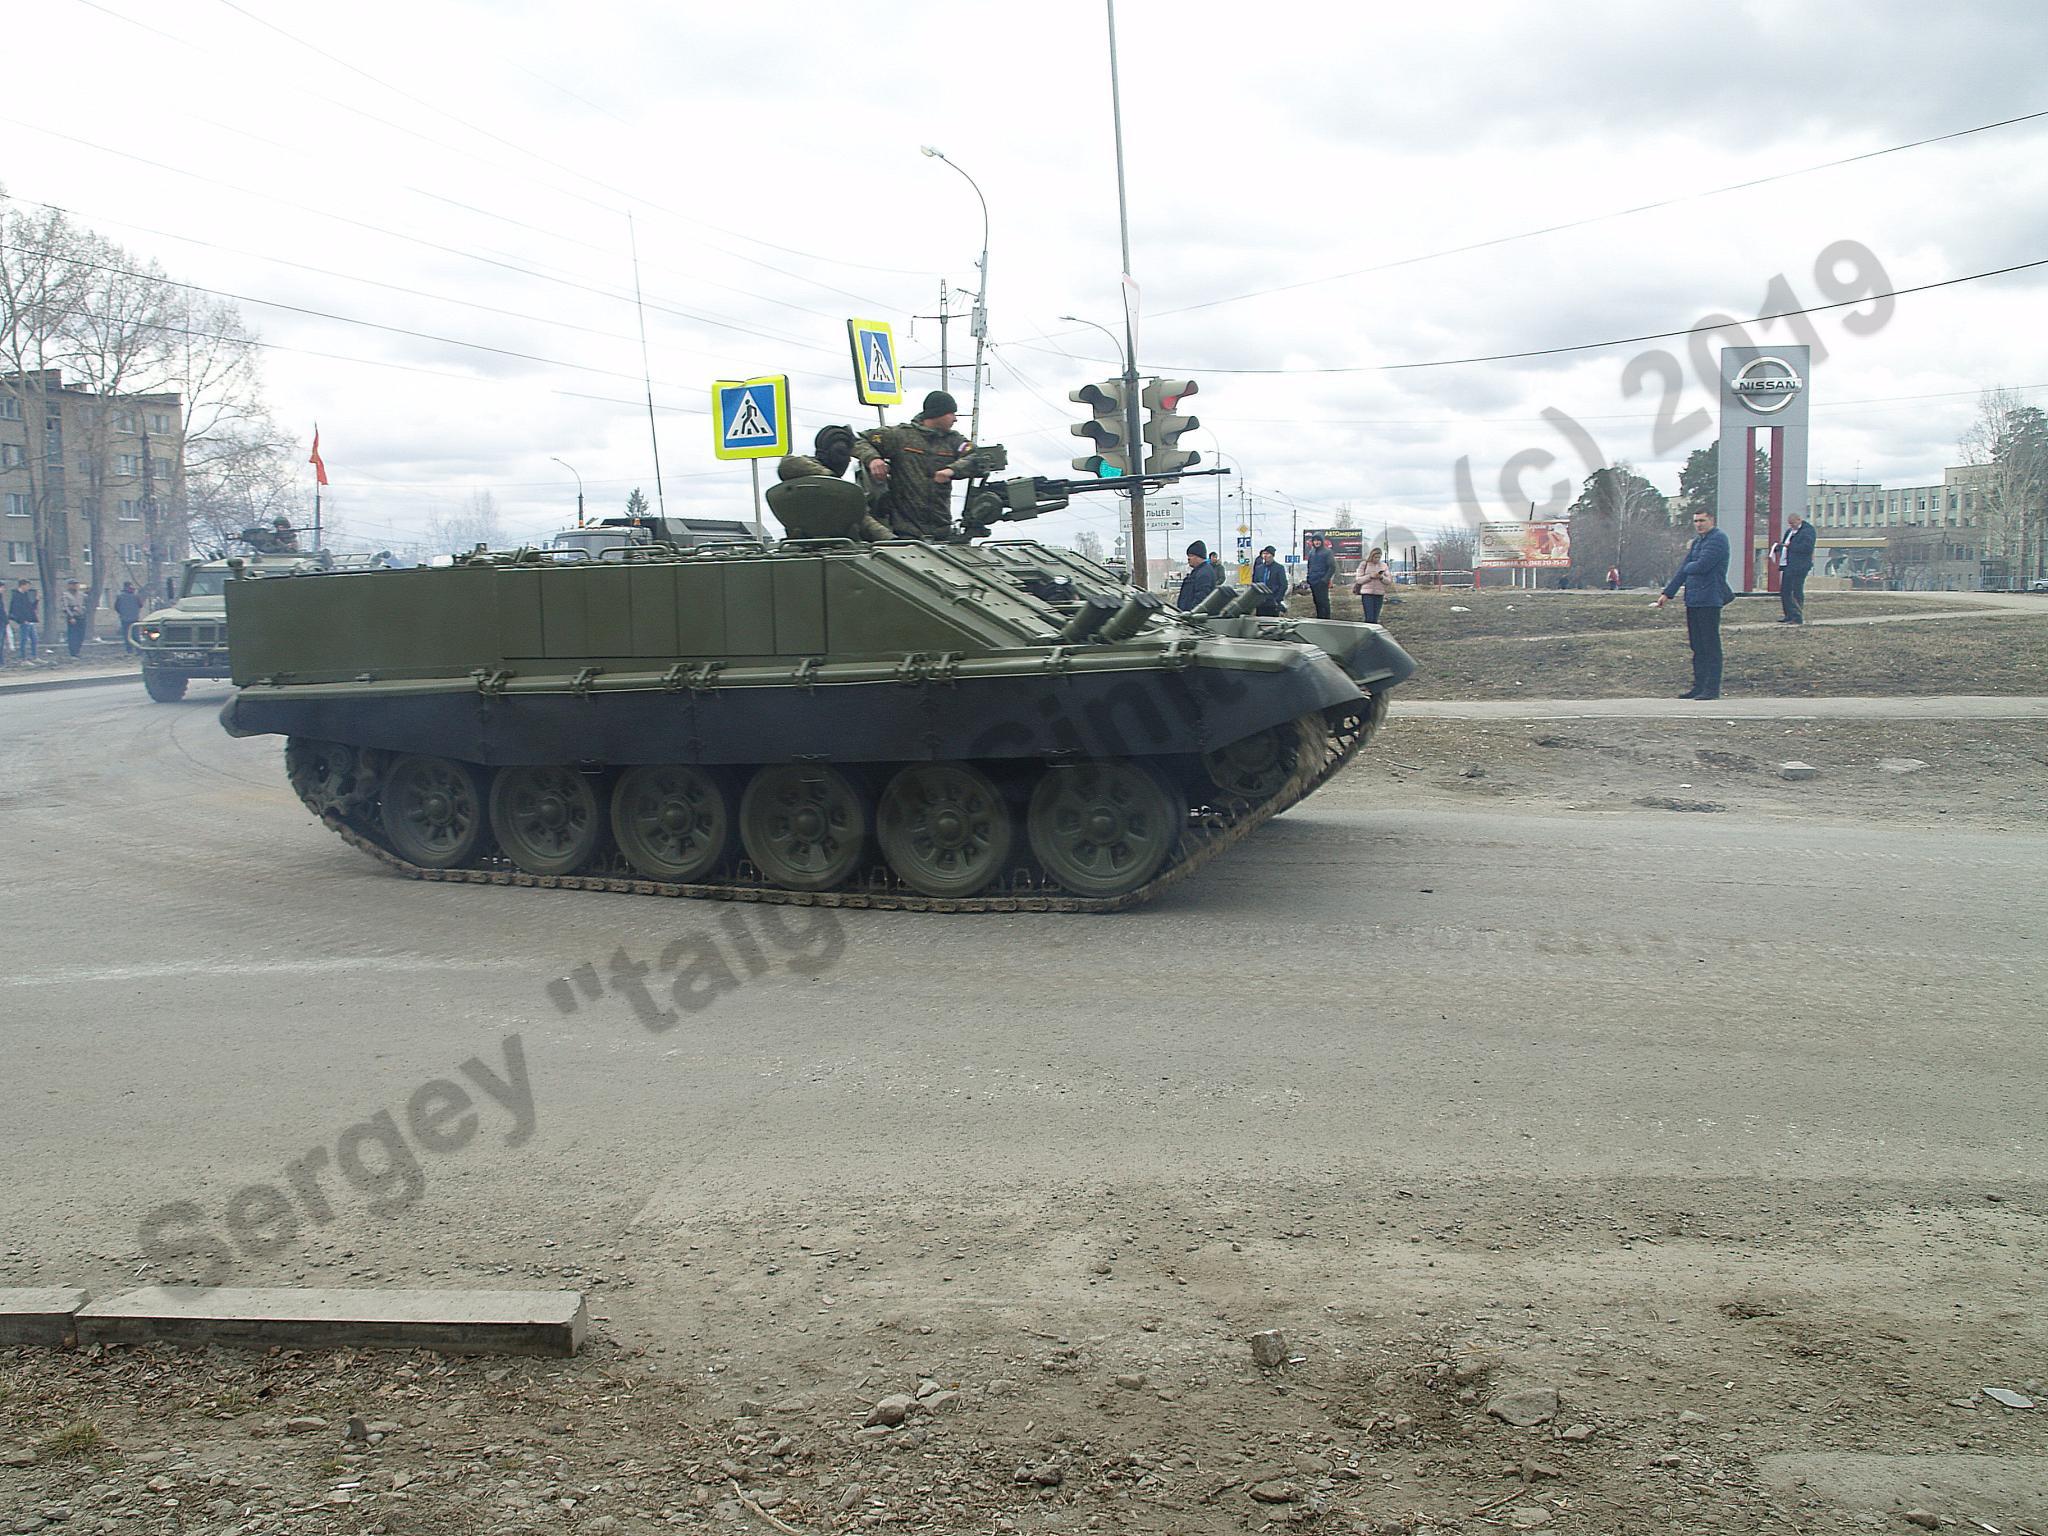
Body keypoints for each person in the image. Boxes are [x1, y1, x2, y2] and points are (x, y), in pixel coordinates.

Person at [853, 390, 977, 539]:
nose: (955, 419)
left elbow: (976, 456)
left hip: (941, 527)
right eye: (951, 413)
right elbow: (858, 440)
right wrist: (873, 459)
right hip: (905, 529)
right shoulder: (901, 436)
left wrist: (952, 470)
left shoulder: (953, 441)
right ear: (937, 413)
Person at [1655, 507, 1734, 700]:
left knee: (1710, 645)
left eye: (1702, 521)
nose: (1699, 525)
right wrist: (1668, 593)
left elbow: (1701, 565)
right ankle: (1699, 686)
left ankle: (1711, 688)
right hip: (1693, 599)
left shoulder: (1718, 539)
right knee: (1697, 646)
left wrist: (1691, 565)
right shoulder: (1699, 542)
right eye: (1696, 521)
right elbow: (1684, 569)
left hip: (1710, 599)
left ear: (1711, 520)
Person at [765, 453, 893, 542]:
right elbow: (788, 463)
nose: (845, 460)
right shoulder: (838, 493)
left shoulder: (840, 492)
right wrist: (830, 478)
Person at [1776, 511, 1816, 624]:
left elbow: (1807, 548)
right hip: (1787, 565)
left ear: (1799, 520)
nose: (1791, 526)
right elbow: (1786, 545)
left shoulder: (1808, 531)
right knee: (1785, 591)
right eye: (1789, 524)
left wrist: (1790, 546)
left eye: (1793, 523)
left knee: (1795, 591)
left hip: (1800, 566)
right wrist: (1778, 548)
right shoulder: (1790, 532)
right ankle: (1788, 614)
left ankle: (1797, 616)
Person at [1175, 539, 1223, 611]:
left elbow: (1201, 598)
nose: (1188, 558)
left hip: (1193, 619)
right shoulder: (1199, 571)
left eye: (1191, 556)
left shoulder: (1204, 574)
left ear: (1199, 557)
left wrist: (1192, 613)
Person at [1352, 546, 1394, 623]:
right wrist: (1370, 576)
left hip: (1379, 594)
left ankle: (1373, 633)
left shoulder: (1384, 566)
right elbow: (1358, 580)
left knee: (1375, 618)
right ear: (1372, 556)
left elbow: (1389, 581)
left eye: (1379, 557)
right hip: (1367, 594)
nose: (1377, 559)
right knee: (1369, 618)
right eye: (1375, 557)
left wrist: (1381, 577)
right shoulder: (1364, 564)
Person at [1250, 545, 1288, 616]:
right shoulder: (1259, 568)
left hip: (1273, 602)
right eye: (1264, 554)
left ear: (1272, 555)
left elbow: (1283, 585)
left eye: (1267, 554)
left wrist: (1278, 599)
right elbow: (1254, 583)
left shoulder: (1279, 568)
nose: (1265, 556)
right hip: (1260, 602)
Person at [9, 579, 40, 661]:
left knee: (34, 639)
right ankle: (23, 658)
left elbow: (30, 607)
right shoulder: (16, 595)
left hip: (30, 621)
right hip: (24, 621)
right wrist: (21, 620)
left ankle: (35, 657)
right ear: (22, 585)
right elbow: (16, 610)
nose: (28, 588)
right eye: (27, 585)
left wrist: (36, 600)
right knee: (24, 640)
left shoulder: (26, 595)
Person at [1305, 536, 1334, 619]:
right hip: (1313, 581)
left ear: (1322, 541)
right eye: (1315, 541)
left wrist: (1325, 579)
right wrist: (1308, 576)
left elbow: (1332, 567)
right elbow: (1309, 565)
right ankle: (1319, 618)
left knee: (1323, 601)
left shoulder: (1327, 552)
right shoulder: (1311, 552)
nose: (1316, 542)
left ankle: (1327, 619)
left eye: (1318, 540)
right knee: (1316, 601)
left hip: (1322, 581)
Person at [114, 582, 143, 654]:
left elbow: (116, 607)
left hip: (124, 619)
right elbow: (140, 605)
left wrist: (122, 612)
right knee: (135, 635)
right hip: (135, 619)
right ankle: (139, 650)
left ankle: (129, 651)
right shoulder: (136, 596)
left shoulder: (119, 596)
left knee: (127, 635)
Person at [61, 580, 87, 657]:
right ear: (69, 586)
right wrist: (71, 617)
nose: (76, 586)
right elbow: (65, 607)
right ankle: (73, 652)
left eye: (77, 584)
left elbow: (85, 604)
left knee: (81, 635)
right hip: (73, 617)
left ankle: (78, 651)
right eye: (74, 585)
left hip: (81, 616)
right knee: (73, 635)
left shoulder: (81, 594)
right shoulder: (66, 595)